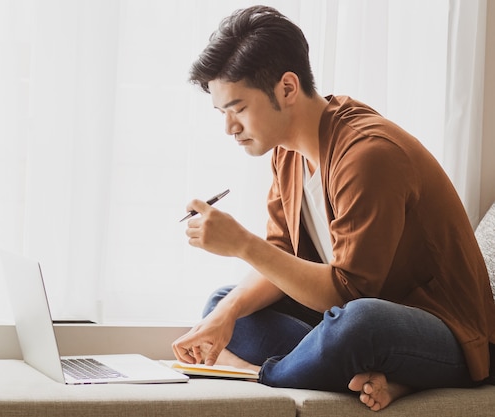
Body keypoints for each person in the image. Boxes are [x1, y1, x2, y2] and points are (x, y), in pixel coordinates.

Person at [172, 5, 495, 412]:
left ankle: (260, 373)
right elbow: (282, 260)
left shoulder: (367, 154)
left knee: (360, 325)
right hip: (351, 313)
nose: (229, 128)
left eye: (238, 108)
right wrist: (227, 314)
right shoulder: (287, 155)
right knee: (225, 304)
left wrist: (242, 244)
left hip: (444, 332)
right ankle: (370, 376)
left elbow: (351, 291)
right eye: (222, 113)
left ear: (287, 88)